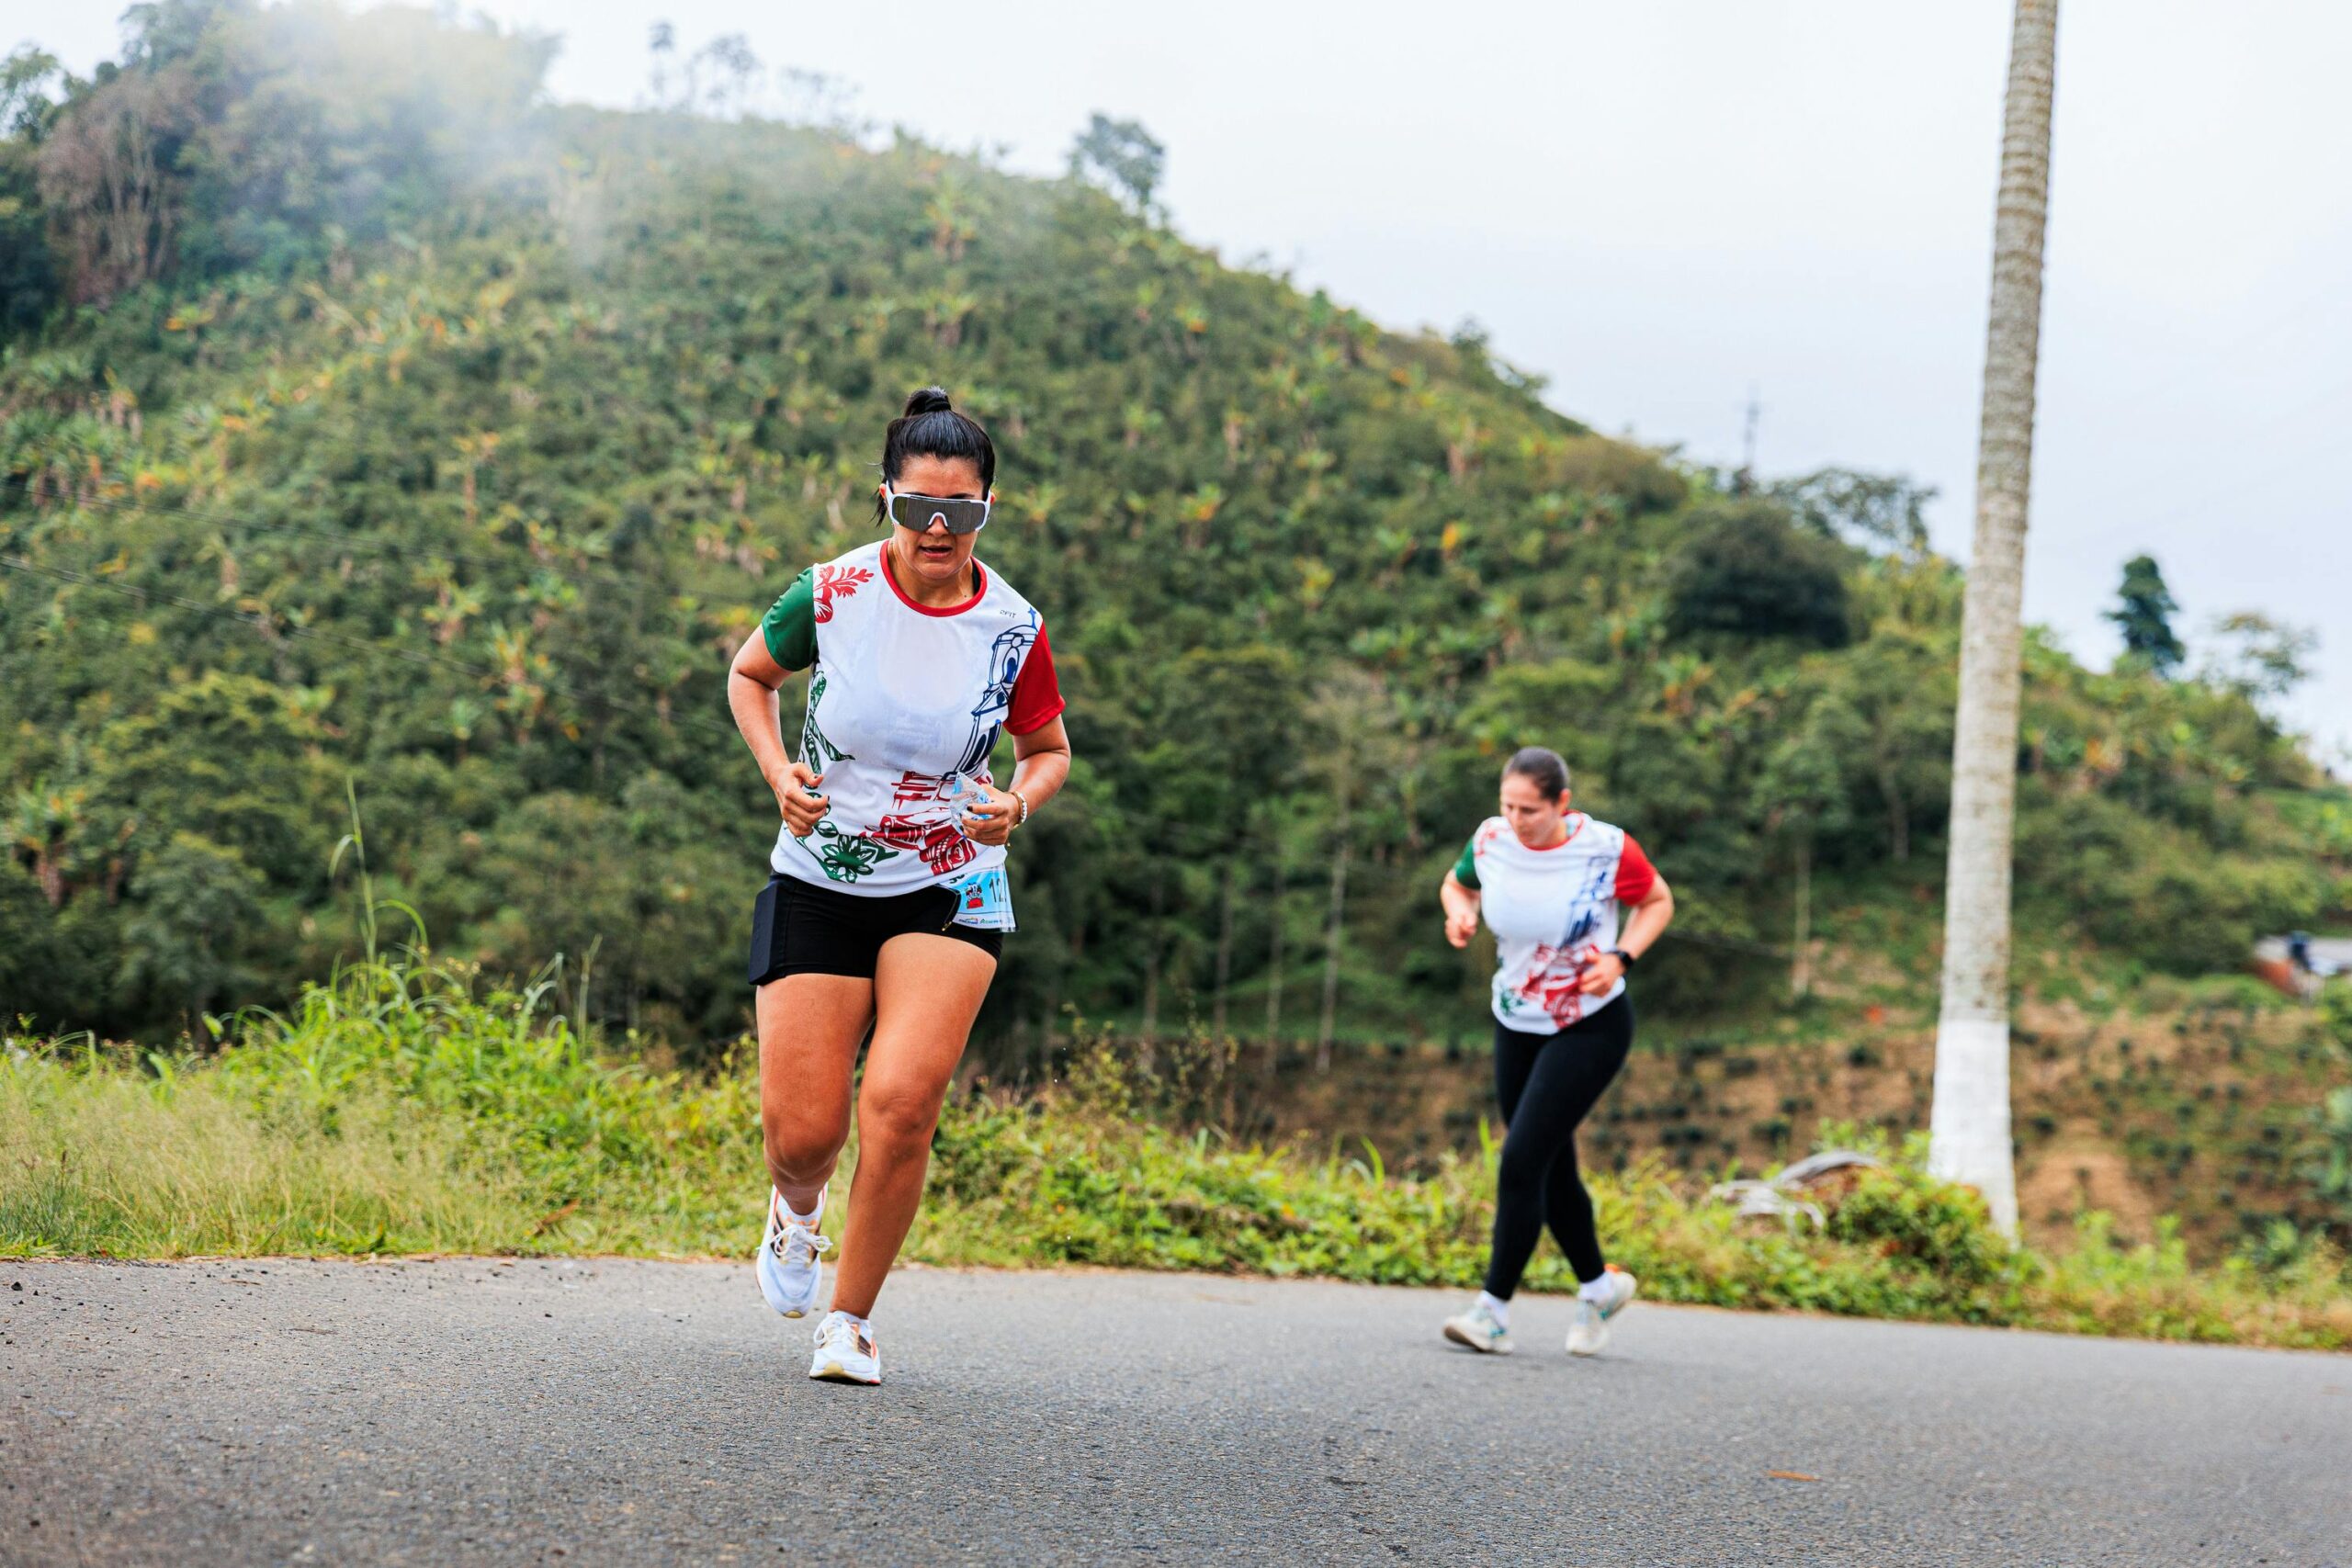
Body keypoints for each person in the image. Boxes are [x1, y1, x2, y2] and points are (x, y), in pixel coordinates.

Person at [725, 387, 1070, 1385]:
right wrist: (779, 773)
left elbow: (1047, 751)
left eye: (959, 512)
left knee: (903, 1103)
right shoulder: (829, 593)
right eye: (917, 506)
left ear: (985, 512)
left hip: (950, 882)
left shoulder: (1012, 625)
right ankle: (796, 1213)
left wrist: (1018, 804)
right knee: (803, 1136)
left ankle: (850, 1320)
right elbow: (751, 677)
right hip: (824, 874)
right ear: (887, 498)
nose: (935, 528)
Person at [1436, 746, 1673, 1358]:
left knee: (1520, 1160)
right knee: (1549, 1164)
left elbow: (1658, 901)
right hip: (1516, 1021)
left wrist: (1621, 957)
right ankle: (1600, 1286)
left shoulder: (1604, 848)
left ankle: (1491, 1312)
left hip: (1589, 1025)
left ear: (1562, 803)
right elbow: (1457, 885)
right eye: (1507, 805)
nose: (1516, 819)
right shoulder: (1490, 839)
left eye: (1531, 810)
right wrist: (1459, 913)